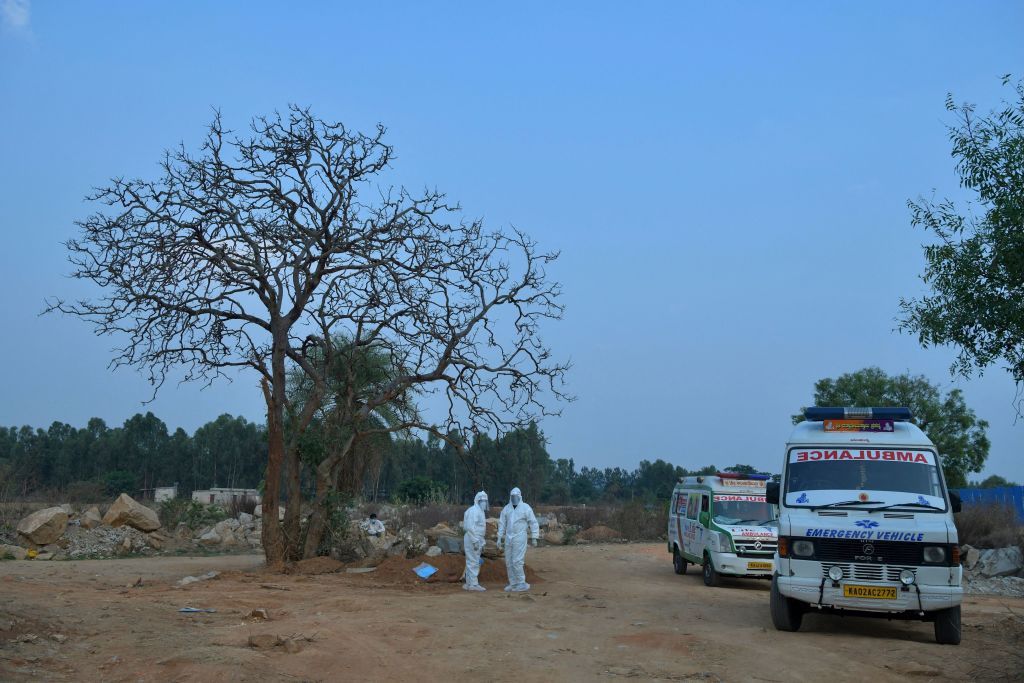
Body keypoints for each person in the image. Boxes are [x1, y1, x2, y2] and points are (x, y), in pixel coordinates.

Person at [497, 486, 539, 592]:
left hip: (520, 537)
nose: (514, 498)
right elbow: (502, 523)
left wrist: (534, 537)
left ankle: (521, 582)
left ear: (520, 496)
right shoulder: (506, 509)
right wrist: (499, 537)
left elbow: (533, 522)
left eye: (516, 496)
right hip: (508, 537)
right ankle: (513, 583)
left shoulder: (526, 508)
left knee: (517, 561)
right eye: (512, 497)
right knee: (509, 561)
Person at [462, 491, 489, 592]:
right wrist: (475, 541)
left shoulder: (478, 511)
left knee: (471, 560)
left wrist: (480, 541)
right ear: (478, 501)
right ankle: (473, 584)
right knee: (474, 561)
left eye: (485, 501)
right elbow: (469, 527)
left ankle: (469, 583)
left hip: (474, 538)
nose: (484, 503)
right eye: (482, 501)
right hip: (473, 538)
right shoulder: (474, 511)